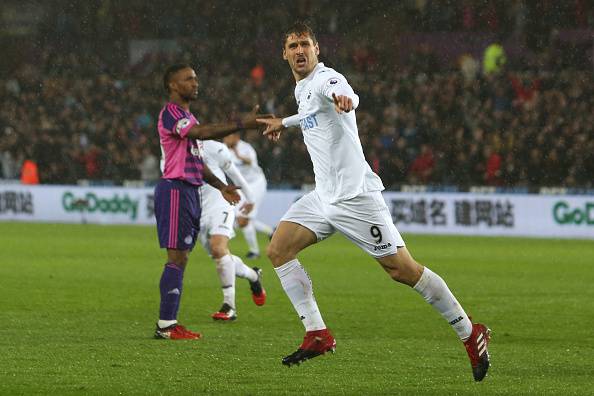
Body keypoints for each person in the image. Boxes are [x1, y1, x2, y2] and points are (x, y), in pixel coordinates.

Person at [256, 22, 491, 381]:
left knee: (403, 270)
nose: (300, 51)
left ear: (317, 49)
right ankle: (317, 333)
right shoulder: (302, 89)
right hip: (324, 196)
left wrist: (347, 100)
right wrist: (283, 122)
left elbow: (343, 94)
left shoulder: (326, 79)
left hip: (354, 197)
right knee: (278, 249)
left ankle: (468, 332)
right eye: (293, 46)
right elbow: (312, 114)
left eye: (305, 44)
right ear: (284, 54)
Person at [153, 63, 271, 340]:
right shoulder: (172, 114)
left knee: (181, 258)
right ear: (172, 85)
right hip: (175, 191)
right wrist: (243, 123)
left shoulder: (186, 116)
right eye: (188, 79)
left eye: (195, 77)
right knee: (176, 257)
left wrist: (220, 186)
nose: (195, 82)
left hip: (190, 191)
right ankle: (166, 325)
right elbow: (201, 134)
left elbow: (197, 160)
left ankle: (169, 323)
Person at [198, 139, 267, 321]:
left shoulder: (212, 147)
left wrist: (250, 199)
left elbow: (235, 175)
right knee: (220, 256)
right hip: (197, 211)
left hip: (220, 204)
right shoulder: (172, 154)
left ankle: (229, 306)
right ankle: (253, 275)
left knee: (218, 248)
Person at [223, 133, 274, 258]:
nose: (225, 138)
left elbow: (250, 161)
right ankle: (271, 232)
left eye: (228, 136)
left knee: (243, 219)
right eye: (225, 137)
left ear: (236, 137)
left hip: (255, 184)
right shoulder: (222, 149)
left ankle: (255, 252)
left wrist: (238, 155)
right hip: (240, 186)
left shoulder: (246, 147)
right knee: (242, 218)